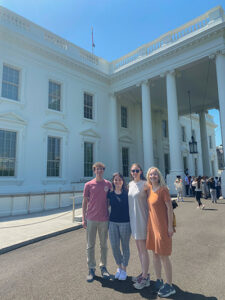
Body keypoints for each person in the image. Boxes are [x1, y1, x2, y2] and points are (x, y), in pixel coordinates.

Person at [146, 167, 176, 298]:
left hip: (163, 227)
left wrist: (170, 227)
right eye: (151, 174)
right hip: (152, 227)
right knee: (155, 255)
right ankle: (159, 279)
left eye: (155, 174)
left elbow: (169, 208)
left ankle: (170, 285)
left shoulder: (163, 190)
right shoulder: (149, 189)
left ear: (159, 176)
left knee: (164, 256)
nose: (153, 176)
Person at [82, 162, 112, 282]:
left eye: (102, 169)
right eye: (97, 169)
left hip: (104, 219)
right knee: (90, 245)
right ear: (94, 170)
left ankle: (103, 266)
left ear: (104, 170)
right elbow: (85, 202)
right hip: (91, 219)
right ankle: (91, 268)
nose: (99, 171)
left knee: (104, 245)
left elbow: (110, 201)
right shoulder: (88, 185)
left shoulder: (108, 184)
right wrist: (83, 219)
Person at [128, 163, 150, 289]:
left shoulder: (145, 184)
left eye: (137, 170)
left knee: (143, 250)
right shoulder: (130, 184)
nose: (134, 172)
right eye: (132, 171)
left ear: (141, 171)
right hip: (133, 220)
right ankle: (143, 273)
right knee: (139, 249)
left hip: (142, 219)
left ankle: (145, 278)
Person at [108, 173, 131, 281]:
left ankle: (124, 269)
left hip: (125, 222)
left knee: (125, 246)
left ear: (123, 181)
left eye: (119, 180)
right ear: (113, 181)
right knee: (114, 246)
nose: (117, 182)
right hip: (112, 222)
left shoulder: (127, 193)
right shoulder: (110, 193)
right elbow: (105, 205)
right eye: (115, 180)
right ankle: (119, 267)